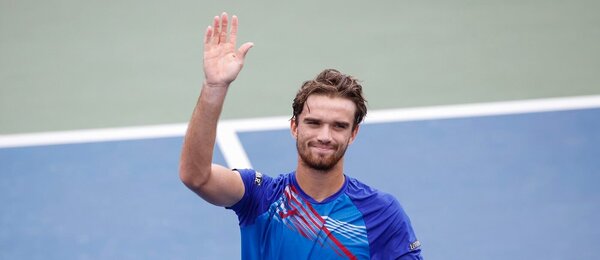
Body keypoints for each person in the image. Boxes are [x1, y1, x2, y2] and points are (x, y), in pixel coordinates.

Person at [180, 12, 423, 260]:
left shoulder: (382, 213)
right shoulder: (261, 198)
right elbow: (196, 176)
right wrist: (214, 88)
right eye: (314, 123)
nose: (325, 136)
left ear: (353, 133)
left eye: (338, 126)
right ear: (295, 126)